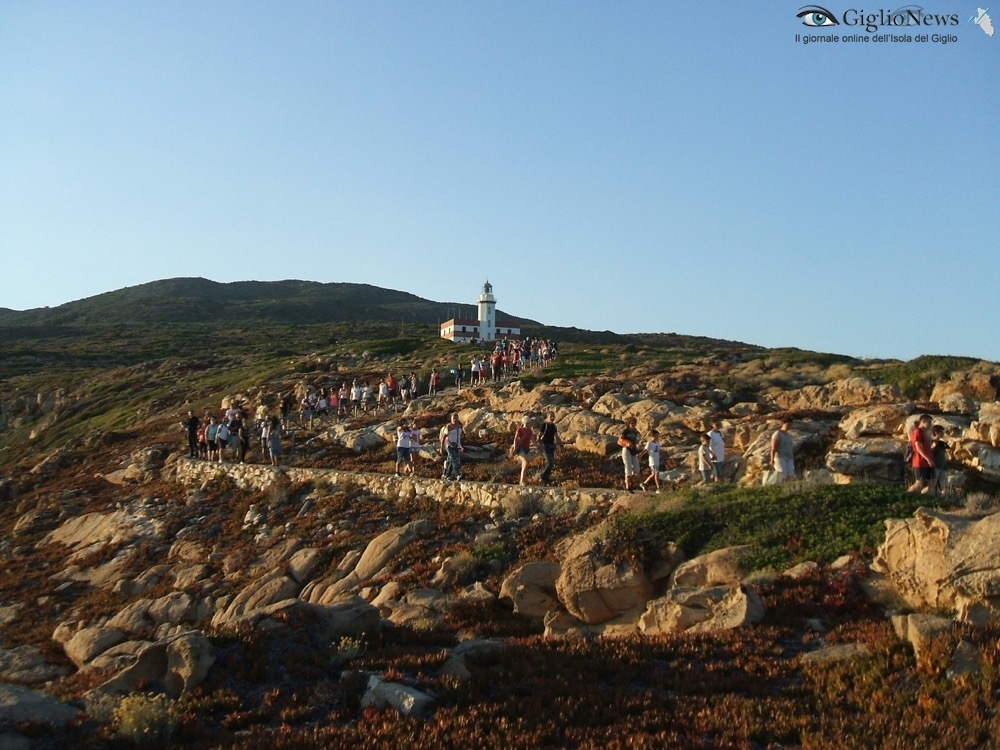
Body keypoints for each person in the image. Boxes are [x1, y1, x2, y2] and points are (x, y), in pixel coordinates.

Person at [907, 414, 935, 493]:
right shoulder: (917, 432)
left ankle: (924, 499)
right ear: (923, 422)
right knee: (919, 483)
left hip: (928, 462)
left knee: (932, 483)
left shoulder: (925, 433)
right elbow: (918, 446)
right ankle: (907, 495)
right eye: (929, 422)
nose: (930, 424)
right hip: (920, 462)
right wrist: (928, 459)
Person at [618, 416, 642, 492]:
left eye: (634, 423)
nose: (632, 424)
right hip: (626, 450)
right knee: (628, 468)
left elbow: (636, 441)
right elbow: (619, 441)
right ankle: (628, 486)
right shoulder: (625, 431)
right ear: (628, 424)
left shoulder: (635, 432)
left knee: (637, 469)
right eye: (631, 423)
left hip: (633, 451)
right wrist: (626, 444)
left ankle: (638, 484)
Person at [769, 417, 795, 483]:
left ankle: (789, 489)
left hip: (789, 457)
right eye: (787, 424)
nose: (789, 426)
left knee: (790, 475)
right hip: (780, 457)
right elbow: (773, 448)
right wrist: (772, 459)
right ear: (783, 424)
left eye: (790, 425)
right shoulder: (777, 434)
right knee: (783, 474)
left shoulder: (788, 435)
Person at [510, 416, 534, 486]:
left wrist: (538, 446)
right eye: (526, 423)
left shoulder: (529, 431)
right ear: (523, 423)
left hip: (527, 448)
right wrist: (515, 447)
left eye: (528, 423)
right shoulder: (520, 429)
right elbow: (515, 439)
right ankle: (522, 480)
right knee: (525, 462)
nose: (527, 424)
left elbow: (533, 440)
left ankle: (522, 480)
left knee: (524, 465)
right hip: (521, 448)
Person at [538, 411, 560, 485]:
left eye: (553, 416)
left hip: (552, 445)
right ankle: (542, 477)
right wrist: (540, 445)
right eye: (551, 416)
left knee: (551, 463)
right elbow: (539, 436)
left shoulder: (554, 426)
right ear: (547, 417)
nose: (552, 418)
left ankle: (546, 479)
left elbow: (556, 436)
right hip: (545, 445)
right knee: (550, 462)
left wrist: (561, 444)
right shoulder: (545, 425)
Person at [439, 413, 464, 481]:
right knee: (454, 459)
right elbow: (443, 437)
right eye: (453, 418)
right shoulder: (448, 426)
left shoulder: (459, 427)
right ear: (451, 419)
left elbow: (459, 437)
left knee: (450, 460)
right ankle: (457, 474)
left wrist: (460, 446)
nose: (455, 420)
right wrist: (441, 447)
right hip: (449, 445)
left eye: (456, 418)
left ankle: (447, 475)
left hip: (456, 445)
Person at [930, 424, 949, 495]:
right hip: (935, 466)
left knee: (945, 487)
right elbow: (929, 451)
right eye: (941, 432)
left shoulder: (941, 443)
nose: (943, 433)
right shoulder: (932, 442)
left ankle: (943, 500)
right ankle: (925, 498)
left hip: (943, 466)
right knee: (932, 486)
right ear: (936, 432)